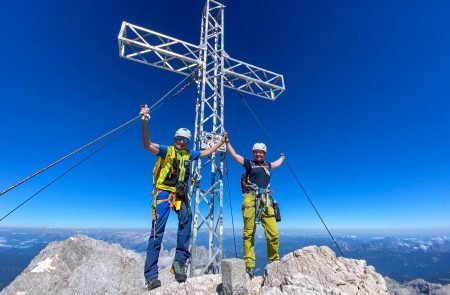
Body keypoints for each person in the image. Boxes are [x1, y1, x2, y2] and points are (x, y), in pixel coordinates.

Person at [139, 105, 226, 290]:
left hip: (180, 194)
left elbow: (205, 153)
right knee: (157, 234)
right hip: (163, 193)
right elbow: (147, 145)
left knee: (186, 226)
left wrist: (220, 143)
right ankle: (151, 276)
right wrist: (145, 123)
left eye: (185, 140)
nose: (181, 143)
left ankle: (179, 264)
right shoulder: (167, 150)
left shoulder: (189, 154)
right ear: (174, 139)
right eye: (179, 139)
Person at [226, 139, 285, 278]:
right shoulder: (249, 164)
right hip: (250, 198)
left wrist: (282, 158)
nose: (258, 154)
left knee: (273, 234)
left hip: (265, 199)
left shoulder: (267, 165)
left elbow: (277, 163)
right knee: (248, 233)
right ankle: (249, 265)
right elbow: (235, 156)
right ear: (253, 153)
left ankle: (273, 261)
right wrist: (227, 143)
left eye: (261, 152)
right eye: (256, 152)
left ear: (264, 153)